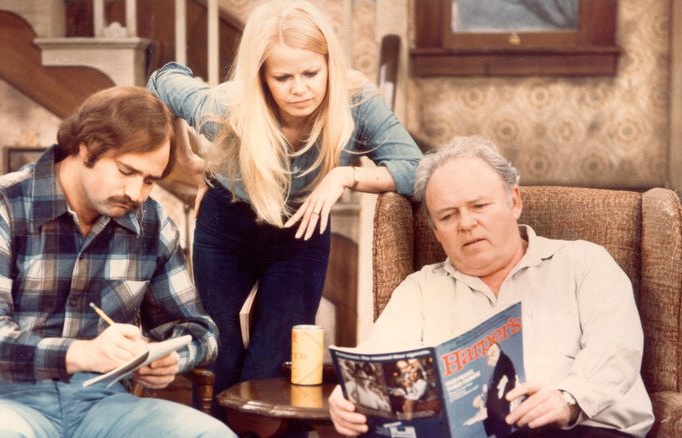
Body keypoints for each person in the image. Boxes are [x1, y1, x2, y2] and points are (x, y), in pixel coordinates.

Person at [146, 0, 422, 399]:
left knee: (270, 374)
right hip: (225, 229)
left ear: (329, 64)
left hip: (301, 236)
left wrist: (345, 175)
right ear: (262, 79)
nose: (300, 88)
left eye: (312, 72)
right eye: (282, 77)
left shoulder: (356, 101)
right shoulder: (225, 107)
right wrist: (186, 159)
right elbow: (164, 80)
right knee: (219, 363)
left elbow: (416, 168)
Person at [0, 86, 236, 438]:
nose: (136, 193)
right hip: (4, 401)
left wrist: (172, 358)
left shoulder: (150, 223)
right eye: (126, 171)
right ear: (85, 147)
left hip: (104, 403)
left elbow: (199, 330)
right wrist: (82, 354)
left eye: (149, 180)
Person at [328, 136, 654, 437]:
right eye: (448, 216)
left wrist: (568, 400)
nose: (466, 223)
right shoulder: (420, 290)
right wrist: (350, 393)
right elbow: (379, 357)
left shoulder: (584, 263)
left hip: (580, 430)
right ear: (436, 231)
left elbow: (616, 349)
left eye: (479, 206)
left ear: (514, 201)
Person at [483, 342, 519, 437]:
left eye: (492, 354)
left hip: (503, 417)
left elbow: (499, 389)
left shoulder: (503, 362)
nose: (489, 357)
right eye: (488, 356)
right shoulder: (499, 365)